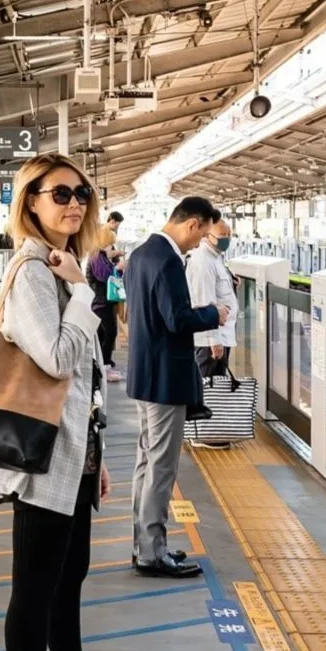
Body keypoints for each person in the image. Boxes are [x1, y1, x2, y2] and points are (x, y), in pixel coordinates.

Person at [0, 153, 138, 651]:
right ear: (31, 203)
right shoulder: (33, 272)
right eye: (59, 193)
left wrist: (94, 452)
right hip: (41, 456)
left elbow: (86, 380)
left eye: (80, 194)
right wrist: (80, 291)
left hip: (72, 449)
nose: (73, 203)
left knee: (69, 575)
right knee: (34, 589)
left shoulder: (60, 266)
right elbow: (57, 359)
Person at [125, 198, 229, 578]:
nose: (199, 241)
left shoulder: (140, 254)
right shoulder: (168, 260)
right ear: (192, 224)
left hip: (144, 375)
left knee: (145, 464)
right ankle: (153, 553)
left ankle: (144, 546)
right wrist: (212, 314)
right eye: (202, 233)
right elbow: (176, 319)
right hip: (165, 380)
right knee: (161, 469)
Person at [187, 219, 238, 449]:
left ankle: (211, 428)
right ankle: (200, 432)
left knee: (214, 382)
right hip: (211, 337)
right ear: (208, 234)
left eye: (229, 233)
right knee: (205, 382)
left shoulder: (215, 257)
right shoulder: (202, 261)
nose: (226, 238)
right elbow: (203, 301)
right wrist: (213, 340)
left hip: (222, 334)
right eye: (222, 234)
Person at [86, 225, 121, 384]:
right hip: (100, 302)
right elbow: (105, 277)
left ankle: (103, 364)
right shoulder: (96, 257)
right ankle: (104, 365)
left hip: (101, 302)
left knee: (104, 335)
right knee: (109, 333)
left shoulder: (100, 256)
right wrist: (118, 268)